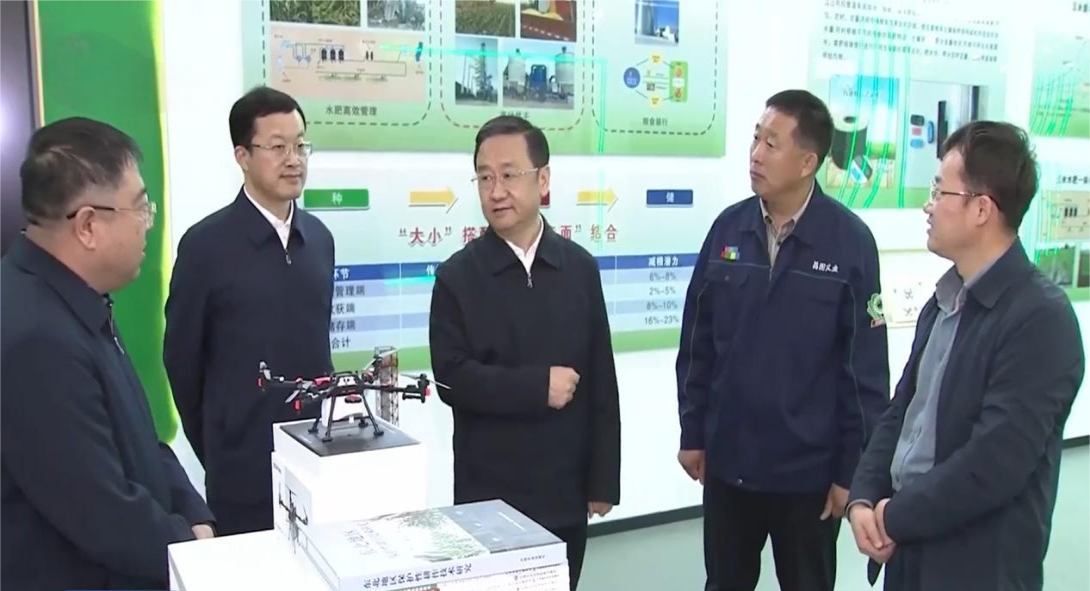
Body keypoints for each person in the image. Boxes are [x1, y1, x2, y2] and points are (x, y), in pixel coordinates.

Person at [847, 121, 1084, 591]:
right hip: (907, 550)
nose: (928, 205)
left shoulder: (1041, 319)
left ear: (981, 209)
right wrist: (864, 497)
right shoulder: (943, 301)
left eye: (940, 192)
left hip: (975, 567)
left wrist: (894, 515)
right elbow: (902, 410)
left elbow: (993, 463)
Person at [675, 89, 891, 591]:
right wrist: (692, 432)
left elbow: (864, 372)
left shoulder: (850, 243)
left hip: (808, 477)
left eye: (771, 144)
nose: (755, 154)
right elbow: (697, 343)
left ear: (807, 162)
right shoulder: (728, 230)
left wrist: (852, 473)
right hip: (729, 465)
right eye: (756, 139)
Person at [0, 117, 215, 591]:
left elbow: (140, 437)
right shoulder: (34, 336)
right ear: (89, 226)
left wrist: (193, 512)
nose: (148, 223)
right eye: (140, 208)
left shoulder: (76, 299)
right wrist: (186, 547)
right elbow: (97, 508)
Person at [428, 115, 621, 591]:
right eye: (484, 177)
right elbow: (451, 379)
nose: (496, 191)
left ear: (544, 179)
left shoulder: (579, 269)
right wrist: (538, 387)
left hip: (563, 492)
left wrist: (603, 481)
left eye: (509, 175)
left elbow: (602, 380)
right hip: (488, 496)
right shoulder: (457, 277)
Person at [164, 86, 335, 535]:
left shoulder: (320, 239)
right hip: (242, 472)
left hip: (317, 460)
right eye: (277, 147)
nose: (293, 159)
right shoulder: (205, 246)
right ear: (242, 155)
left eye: (300, 145)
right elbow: (181, 361)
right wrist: (219, 443)